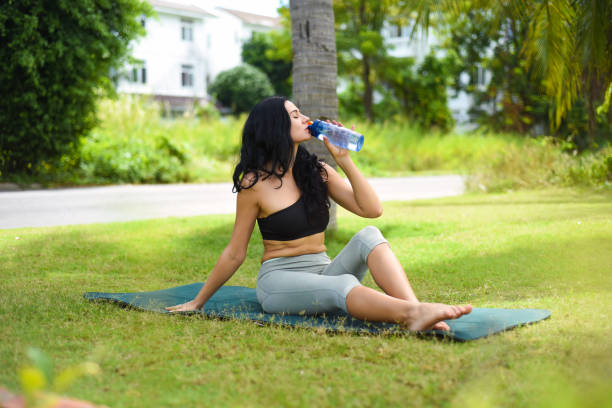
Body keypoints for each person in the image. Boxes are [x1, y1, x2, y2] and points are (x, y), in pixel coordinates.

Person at [166, 96, 471, 331]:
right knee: (342, 287)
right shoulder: (254, 183)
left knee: (370, 237)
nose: (305, 118)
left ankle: (417, 310)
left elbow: (372, 210)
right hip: (280, 283)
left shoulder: (318, 172)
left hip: (323, 271)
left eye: (301, 113)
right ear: (274, 128)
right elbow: (235, 251)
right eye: (295, 115)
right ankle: (411, 315)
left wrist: (344, 160)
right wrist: (198, 301)